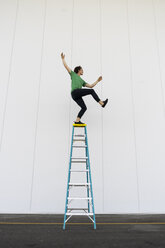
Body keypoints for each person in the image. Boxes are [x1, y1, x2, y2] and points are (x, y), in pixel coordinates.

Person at [61, 52, 108, 124]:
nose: (83, 71)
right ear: (78, 70)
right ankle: (101, 103)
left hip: (75, 96)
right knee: (91, 91)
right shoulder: (73, 74)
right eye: (82, 69)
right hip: (75, 92)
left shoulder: (82, 80)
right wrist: (63, 59)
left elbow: (91, 86)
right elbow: (66, 66)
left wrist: (97, 81)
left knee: (84, 108)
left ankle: (77, 121)